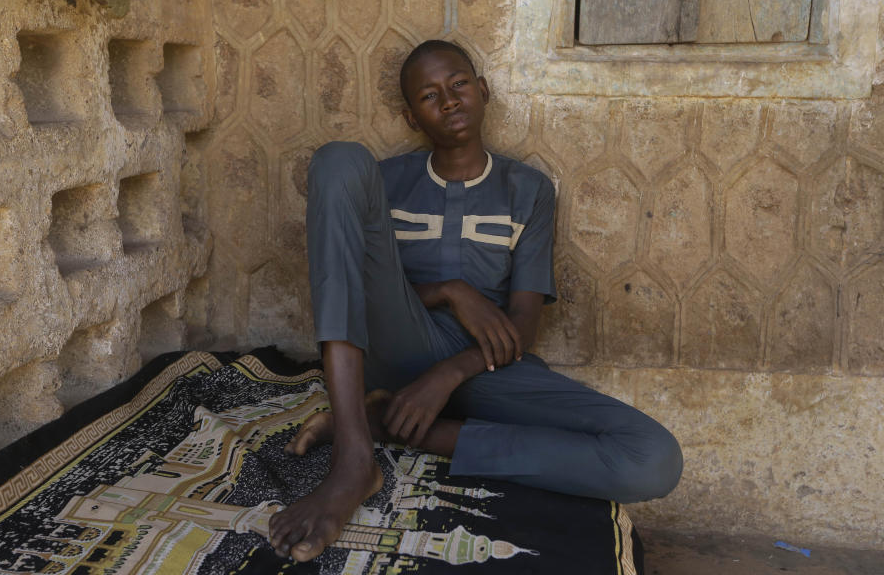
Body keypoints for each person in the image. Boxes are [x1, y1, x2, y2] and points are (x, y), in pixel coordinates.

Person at [267, 40, 683, 562]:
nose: (449, 100)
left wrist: (448, 375)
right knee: (337, 159)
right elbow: (356, 287)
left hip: (489, 366)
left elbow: (523, 325)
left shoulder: (527, 189)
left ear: (483, 91)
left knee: (654, 458)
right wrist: (449, 291)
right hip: (401, 342)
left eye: (459, 84)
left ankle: (396, 425)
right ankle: (354, 458)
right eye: (429, 95)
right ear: (411, 116)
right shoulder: (382, 182)